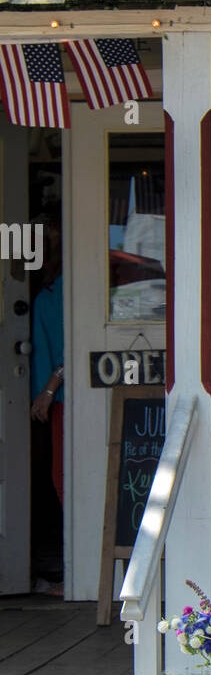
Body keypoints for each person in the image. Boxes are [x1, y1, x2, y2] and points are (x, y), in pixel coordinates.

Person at [30, 205, 64, 516]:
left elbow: (74, 346)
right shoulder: (52, 285)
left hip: (63, 400)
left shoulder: (69, 286)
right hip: (50, 403)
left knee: (63, 477)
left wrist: (50, 389)